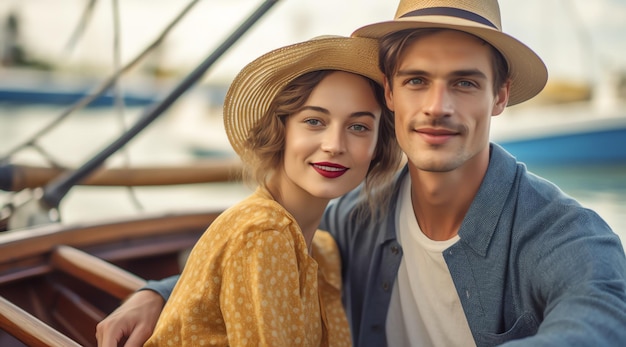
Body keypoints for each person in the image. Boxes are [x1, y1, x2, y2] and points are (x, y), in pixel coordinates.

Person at [97, 1, 626, 346]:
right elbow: (269, 255)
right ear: (390, 94)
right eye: (417, 81)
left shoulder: (562, 232)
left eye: (464, 83)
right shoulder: (358, 215)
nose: (436, 106)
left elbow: (601, 319)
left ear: (500, 96)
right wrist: (160, 293)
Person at [137, 35, 402, 347]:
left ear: (377, 147)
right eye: (314, 121)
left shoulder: (321, 249)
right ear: (281, 130)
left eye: (358, 127)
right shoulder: (264, 233)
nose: (334, 145)